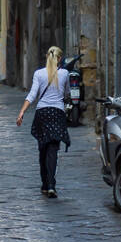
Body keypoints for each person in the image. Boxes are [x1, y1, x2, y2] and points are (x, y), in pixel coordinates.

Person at [16, 45, 71, 197]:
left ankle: (45, 184)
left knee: (42, 149)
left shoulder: (38, 74)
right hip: (57, 113)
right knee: (53, 150)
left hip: (42, 114)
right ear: (59, 59)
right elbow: (67, 93)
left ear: (47, 56)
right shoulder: (65, 73)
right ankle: (52, 185)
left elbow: (32, 95)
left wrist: (22, 112)